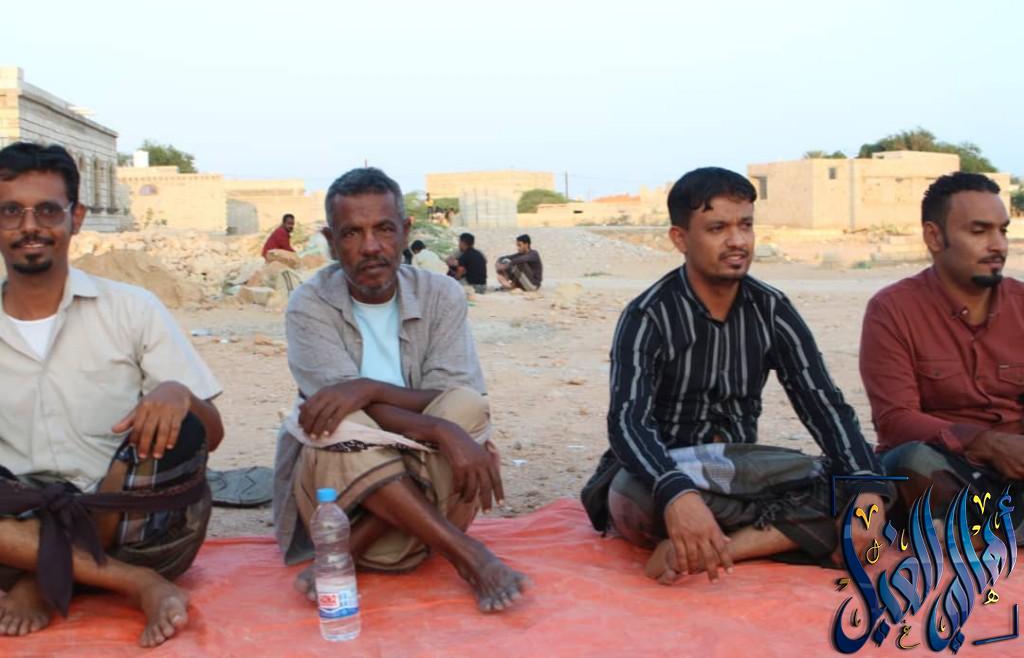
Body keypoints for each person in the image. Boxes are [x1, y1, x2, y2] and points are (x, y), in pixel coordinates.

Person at [581, 166, 890, 585]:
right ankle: (777, 534)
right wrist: (676, 492)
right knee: (635, 498)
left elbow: (824, 407)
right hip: (662, 471)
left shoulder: (772, 309)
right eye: (718, 228)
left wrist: (865, 491)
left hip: (737, 470)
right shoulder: (648, 315)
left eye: (745, 225)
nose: (738, 241)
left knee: (871, 484)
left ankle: (722, 548)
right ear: (680, 239)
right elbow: (627, 422)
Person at [272, 167, 528, 613]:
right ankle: (469, 557)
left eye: (384, 229)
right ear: (331, 241)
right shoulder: (310, 304)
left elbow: (453, 392)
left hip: (399, 526)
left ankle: (351, 551)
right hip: (340, 507)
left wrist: (367, 388)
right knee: (338, 422)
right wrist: (441, 431)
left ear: (405, 232)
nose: (371, 246)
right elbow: (336, 408)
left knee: (467, 406)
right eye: (352, 233)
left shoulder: (441, 294)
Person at [0, 143, 224, 647]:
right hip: (17, 521)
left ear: (75, 218)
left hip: (131, 527)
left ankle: (39, 573)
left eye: (48, 210)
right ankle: (136, 584)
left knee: (180, 424)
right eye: (11, 211)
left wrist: (177, 393)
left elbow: (211, 435)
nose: (30, 226)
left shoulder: (132, 308)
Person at [860, 172, 1023, 529]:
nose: (997, 245)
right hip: (945, 469)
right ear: (934, 237)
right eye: (979, 232)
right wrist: (985, 443)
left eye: (1003, 231)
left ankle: (982, 530)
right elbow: (895, 420)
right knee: (911, 460)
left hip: (1017, 469)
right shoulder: (893, 309)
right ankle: (987, 529)